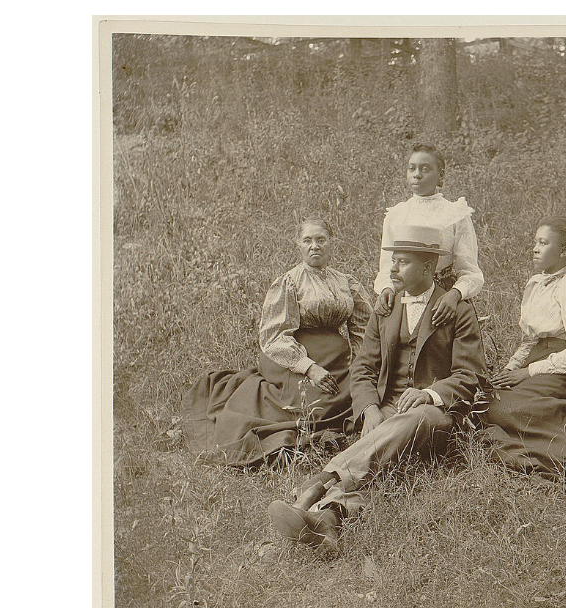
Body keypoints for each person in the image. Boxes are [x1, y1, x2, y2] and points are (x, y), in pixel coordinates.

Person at [267, 224, 486, 548]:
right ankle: (329, 519)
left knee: (418, 417)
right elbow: (363, 367)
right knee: (383, 455)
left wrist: (428, 393)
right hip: (386, 408)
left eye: (402, 262)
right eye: (392, 261)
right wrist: (369, 409)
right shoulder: (385, 309)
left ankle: (321, 481)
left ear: (428, 267)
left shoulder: (458, 310)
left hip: (434, 416)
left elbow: (470, 375)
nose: (393, 269)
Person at [181, 219, 372, 466]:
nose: (315, 246)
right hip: (292, 356)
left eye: (321, 240)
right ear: (298, 245)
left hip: (336, 358)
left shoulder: (346, 283)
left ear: (331, 243)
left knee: (354, 391)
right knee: (318, 404)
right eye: (307, 240)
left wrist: (360, 365)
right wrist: (309, 367)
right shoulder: (289, 282)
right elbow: (273, 336)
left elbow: (362, 330)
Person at [480, 215, 566, 481]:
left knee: (504, 407)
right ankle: (531, 453)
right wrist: (509, 370)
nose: (534, 248)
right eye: (535, 242)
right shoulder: (535, 284)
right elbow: (529, 342)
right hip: (537, 362)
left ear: (563, 251)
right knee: (488, 399)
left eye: (543, 243)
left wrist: (527, 373)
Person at [372, 143, 484, 329]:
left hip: (443, 297)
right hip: (404, 293)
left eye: (425, 169)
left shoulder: (456, 214)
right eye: (412, 168)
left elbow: (470, 270)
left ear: (440, 175)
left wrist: (454, 295)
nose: (417, 174)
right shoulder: (397, 215)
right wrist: (386, 288)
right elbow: (386, 265)